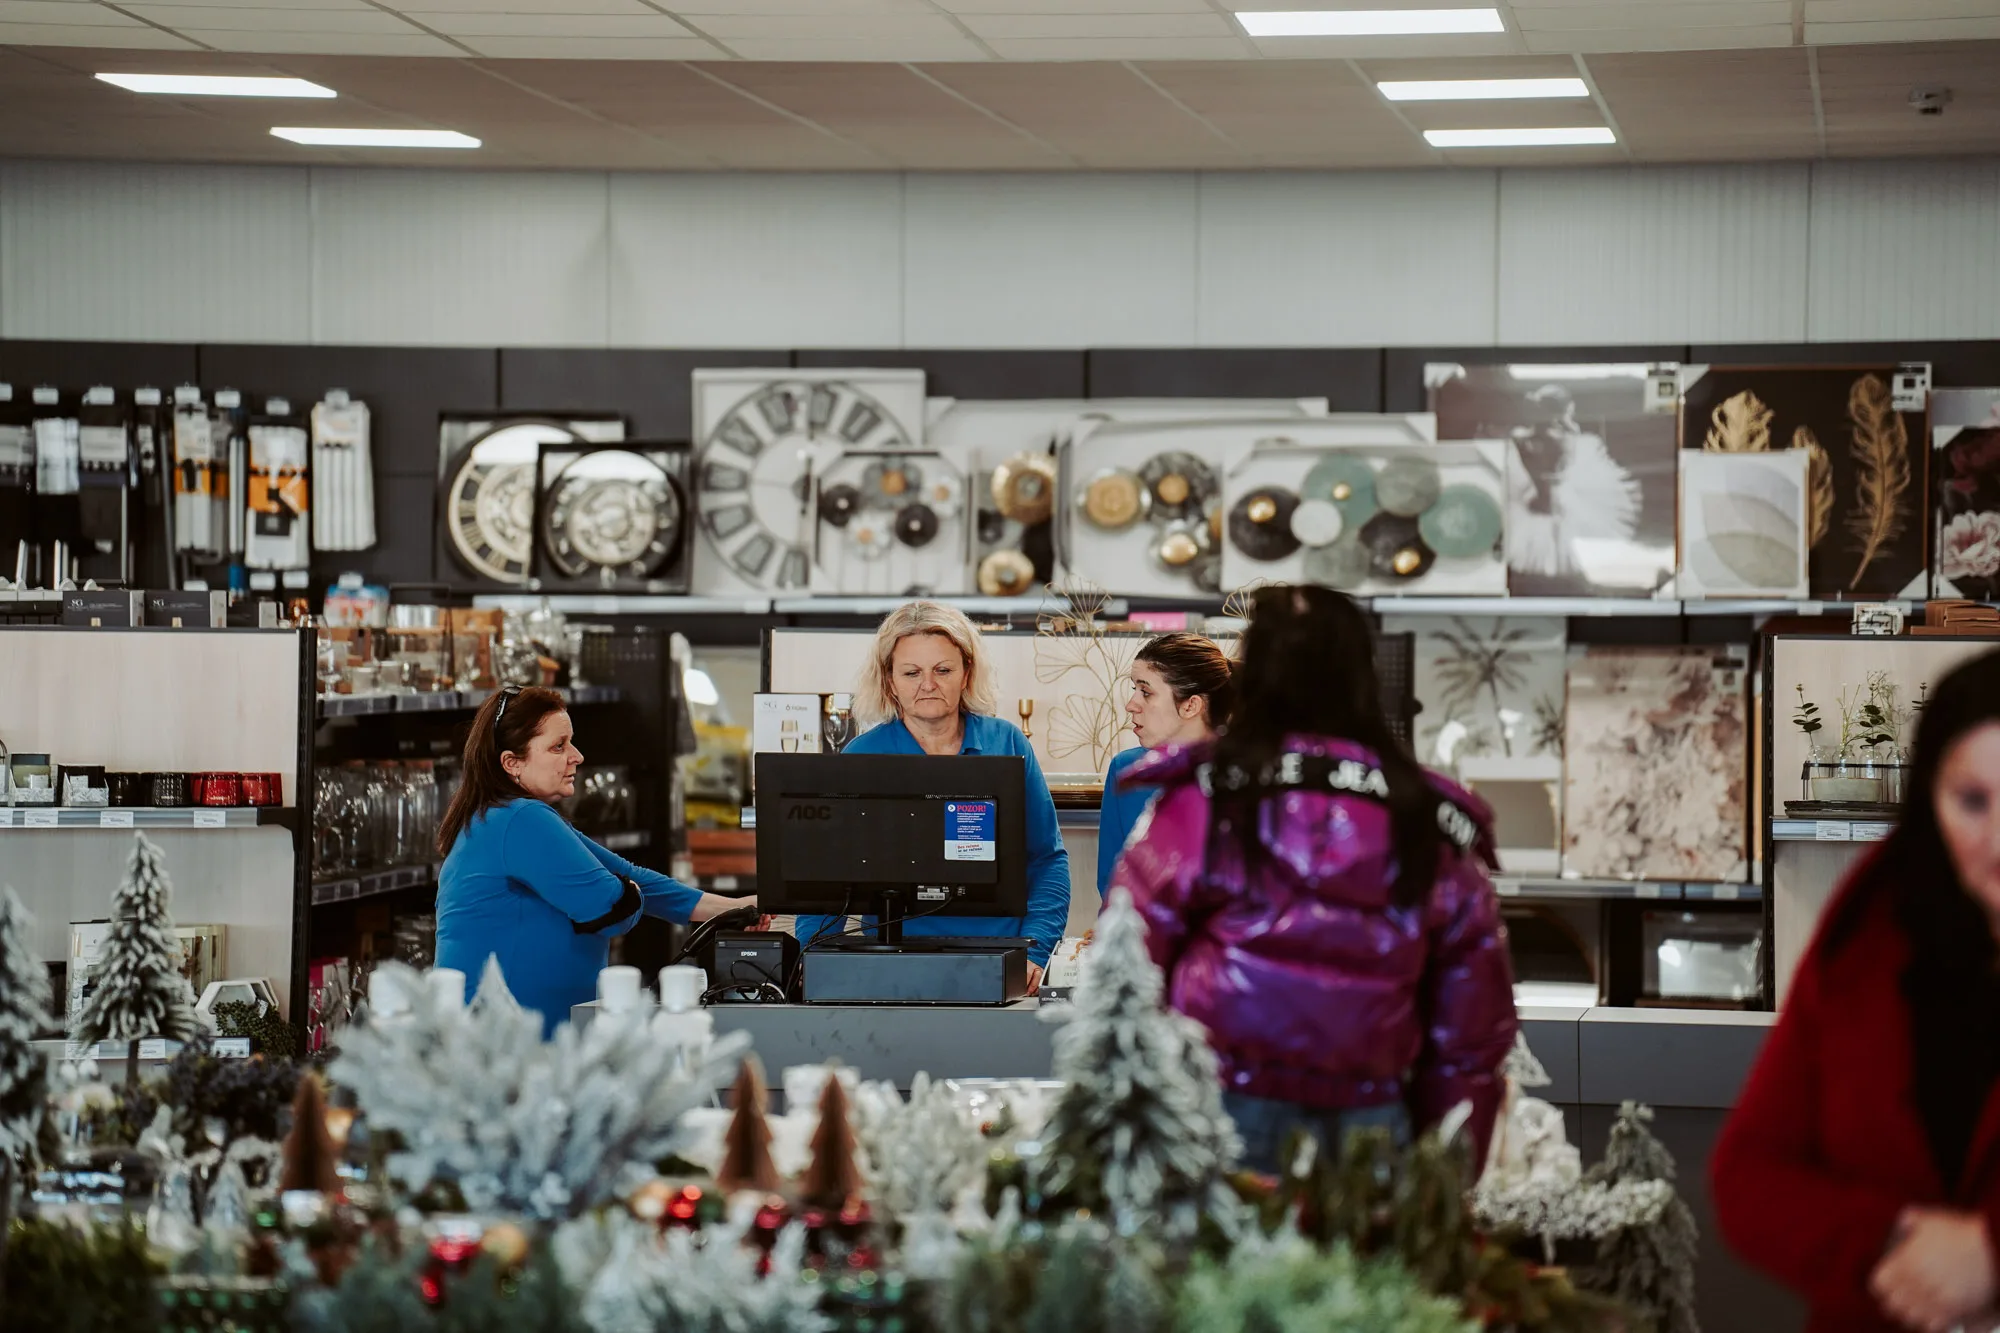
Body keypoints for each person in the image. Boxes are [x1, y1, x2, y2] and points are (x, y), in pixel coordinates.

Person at [1111, 583, 1516, 1173]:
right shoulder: (1426, 814)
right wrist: (1453, 1168)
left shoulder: (1201, 797)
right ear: (1363, 674)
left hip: (1220, 1107)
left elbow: (1124, 970)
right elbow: (1473, 1030)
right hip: (1374, 1117)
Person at [1712, 648, 2000, 1333]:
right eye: (1972, 801)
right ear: (1929, 800)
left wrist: (1991, 1253)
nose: (1998, 842)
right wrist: (1899, 1244)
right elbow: (1748, 1174)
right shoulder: (1871, 933)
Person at [435, 684, 751, 1035]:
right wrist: (626, 892)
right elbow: (613, 908)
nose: (577, 756)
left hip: (509, 1038)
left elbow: (631, 876)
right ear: (512, 763)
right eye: (558, 746)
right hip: (510, 1043)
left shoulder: (504, 816)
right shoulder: (521, 819)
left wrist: (735, 910)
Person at [792, 600, 1071, 994]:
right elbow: (825, 879)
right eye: (911, 672)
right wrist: (813, 955)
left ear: (966, 673)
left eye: (943, 670)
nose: (928, 684)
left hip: (999, 962)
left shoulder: (1007, 743)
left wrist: (1036, 951)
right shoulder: (862, 755)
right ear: (890, 680)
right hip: (889, 964)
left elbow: (1047, 860)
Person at [1097, 632, 1235, 898]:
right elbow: (1112, 886)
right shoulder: (1128, 771)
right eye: (1134, 690)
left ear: (1191, 705)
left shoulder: (1248, 777)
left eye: (1146, 692)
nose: (1131, 705)